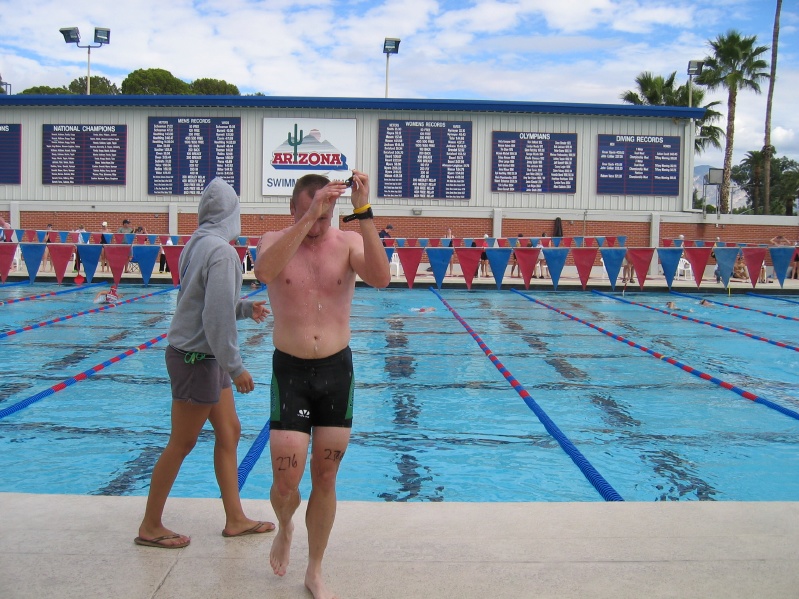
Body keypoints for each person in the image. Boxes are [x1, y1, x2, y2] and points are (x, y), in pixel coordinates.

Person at [253, 169, 390, 599]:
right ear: (292, 209)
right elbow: (263, 272)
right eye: (309, 214)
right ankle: (285, 526)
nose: (317, 226)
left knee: (326, 477)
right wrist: (309, 217)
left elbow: (382, 278)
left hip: (336, 372)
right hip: (290, 373)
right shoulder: (273, 241)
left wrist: (363, 211)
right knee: (285, 484)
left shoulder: (347, 243)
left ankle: (314, 570)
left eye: (325, 217)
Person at [135, 178, 274, 550]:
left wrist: (244, 308)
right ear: (232, 214)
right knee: (181, 442)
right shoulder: (223, 253)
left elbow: (202, 301)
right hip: (197, 359)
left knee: (229, 431)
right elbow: (214, 318)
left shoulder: (196, 243)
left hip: (202, 356)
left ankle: (236, 518)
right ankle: (150, 525)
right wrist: (236, 367)